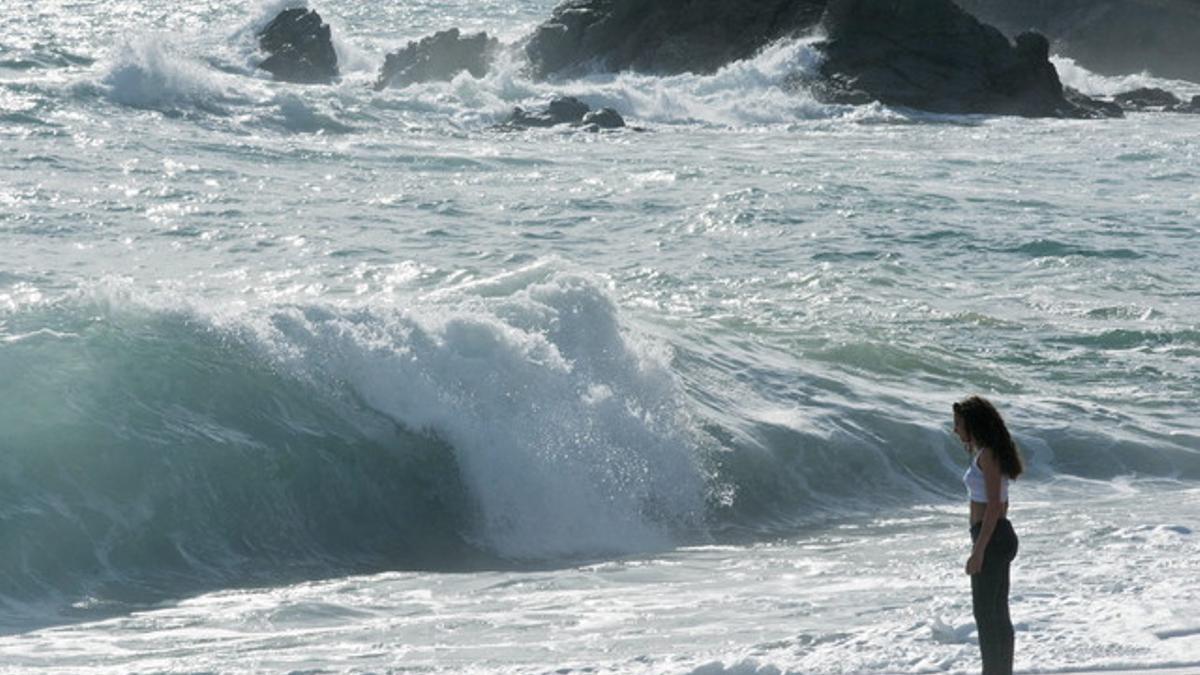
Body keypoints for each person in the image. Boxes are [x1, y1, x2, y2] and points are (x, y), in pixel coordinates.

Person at [954, 395, 1023, 675]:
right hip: (997, 535)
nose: (955, 430)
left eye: (958, 424)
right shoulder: (990, 451)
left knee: (986, 614)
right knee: (996, 614)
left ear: (973, 424)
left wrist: (978, 550)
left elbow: (996, 504)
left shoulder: (988, 454)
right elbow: (1002, 502)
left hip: (991, 538)